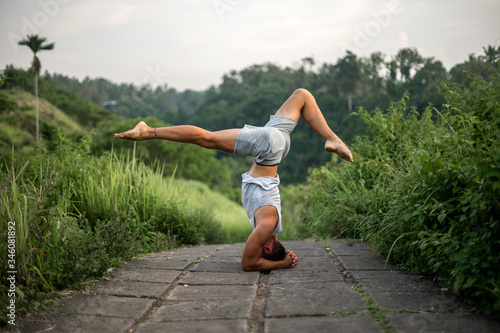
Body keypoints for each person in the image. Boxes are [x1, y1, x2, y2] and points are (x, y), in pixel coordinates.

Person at [114, 88, 353, 272]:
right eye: (263, 249)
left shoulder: (272, 227)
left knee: (302, 95)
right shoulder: (267, 227)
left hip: (276, 145)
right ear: (267, 247)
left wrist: (283, 256)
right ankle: (148, 132)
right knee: (206, 139)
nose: (257, 247)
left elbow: (262, 254)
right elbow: (248, 264)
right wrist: (280, 264)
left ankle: (333, 138)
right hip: (270, 148)